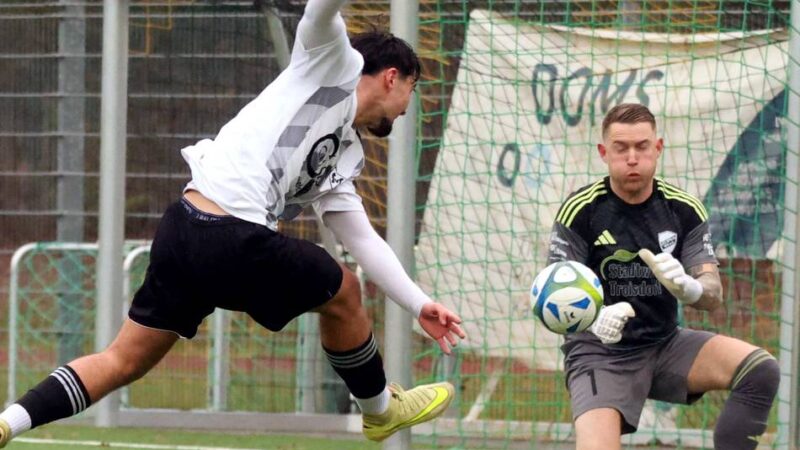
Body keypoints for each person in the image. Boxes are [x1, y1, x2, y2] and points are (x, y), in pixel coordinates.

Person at [0, 0, 466, 445]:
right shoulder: (328, 58)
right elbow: (320, 10)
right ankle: (381, 412)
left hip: (182, 228)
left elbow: (362, 238)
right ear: (393, 77)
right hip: (228, 235)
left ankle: (6, 423)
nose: (408, 105)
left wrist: (418, 303)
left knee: (122, 359)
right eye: (412, 87)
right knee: (342, 291)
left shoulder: (344, 154)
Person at [547, 103, 779, 450]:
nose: (632, 158)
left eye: (642, 146)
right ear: (603, 152)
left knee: (760, 369)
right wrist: (593, 319)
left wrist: (690, 288)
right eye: (620, 148)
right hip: (600, 353)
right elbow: (551, 296)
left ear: (658, 148)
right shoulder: (581, 210)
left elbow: (712, 294)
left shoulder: (683, 208)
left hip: (664, 344)